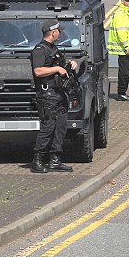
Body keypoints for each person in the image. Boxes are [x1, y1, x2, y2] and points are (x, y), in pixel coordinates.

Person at [29, 20, 77, 174]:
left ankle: (55, 159)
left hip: (59, 93)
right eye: (59, 31)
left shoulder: (53, 48)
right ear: (52, 32)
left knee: (61, 126)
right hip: (47, 94)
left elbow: (61, 64)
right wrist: (56, 68)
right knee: (48, 126)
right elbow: (38, 71)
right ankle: (37, 160)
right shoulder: (39, 50)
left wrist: (71, 64)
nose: (60, 33)